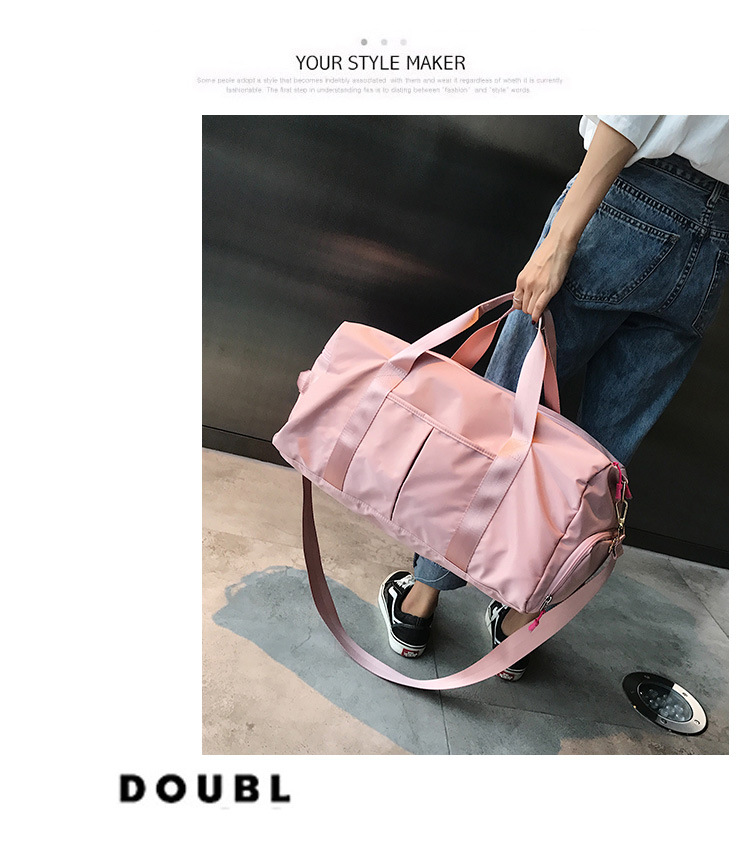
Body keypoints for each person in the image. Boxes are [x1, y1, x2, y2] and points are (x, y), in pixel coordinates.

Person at [379, 115, 729, 680]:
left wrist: (562, 236)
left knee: (501, 420)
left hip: (633, 201)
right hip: (720, 244)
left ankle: (421, 598)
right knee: (598, 461)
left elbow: (633, 108)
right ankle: (520, 624)